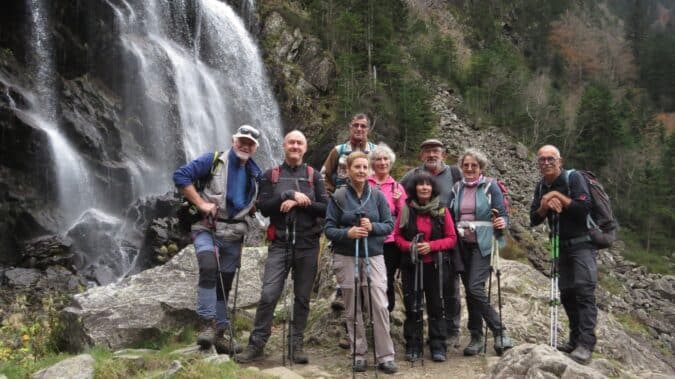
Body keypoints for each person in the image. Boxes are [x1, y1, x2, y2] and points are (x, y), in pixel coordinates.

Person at [234, 131, 328, 364]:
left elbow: (325, 209)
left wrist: (298, 202)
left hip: (308, 244)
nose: (295, 146)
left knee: (302, 298)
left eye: (299, 143)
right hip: (280, 243)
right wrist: (287, 194)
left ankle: (296, 345)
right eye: (291, 142)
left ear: (305, 148)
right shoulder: (270, 176)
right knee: (268, 295)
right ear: (284, 146)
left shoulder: (314, 176)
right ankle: (256, 345)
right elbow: (265, 208)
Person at [173, 125, 262, 353]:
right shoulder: (212, 160)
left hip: (234, 234)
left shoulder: (255, 174)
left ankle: (221, 333)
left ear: (255, 148)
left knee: (225, 283)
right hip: (207, 227)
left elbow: (260, 199)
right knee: (208, 266)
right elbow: (181, 175)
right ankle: (206, 326)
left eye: (250, 143)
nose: (245, 145)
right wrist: (201, 204)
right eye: (242, 140)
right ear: (234, 140)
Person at [324, 152, 398, 374]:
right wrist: (349, 232)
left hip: (373, 255)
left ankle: (385, 356)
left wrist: (372, 227)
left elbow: (389, 225)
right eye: (357, 166)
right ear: (348, 169)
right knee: (352, 306)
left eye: (365, 167)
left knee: (379, 303)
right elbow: (328, 229)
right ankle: (358, 354)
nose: (362, 171)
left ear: (369, 170)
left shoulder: (377, 196)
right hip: (346, 256)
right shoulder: (338, 196)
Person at [530, 144, 596, 365]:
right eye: (542, 159)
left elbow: (583, 209)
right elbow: (533, 219)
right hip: (560, 246)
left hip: (582, 244)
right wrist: (544, 205)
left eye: (550, 159)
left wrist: (558, 195)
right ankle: (575, 340)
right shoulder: (541, 186)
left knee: (584, 292)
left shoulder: (574, 178)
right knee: (567, 293)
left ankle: (586, 344)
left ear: (560, 160)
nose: (546, 163)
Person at [449, 148, 514, 356]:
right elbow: (451, 215)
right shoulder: (457, 188)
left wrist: (502, 222)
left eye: (473, 165)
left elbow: (502, 215)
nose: (469, 169)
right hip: (461, 245)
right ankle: (476, 337)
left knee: (475, 288)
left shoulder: (490, 186)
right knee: (469, 291)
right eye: (466, 165)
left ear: (481, 168)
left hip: (483, 243)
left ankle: (499, 330)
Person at [400, 139, 463, 348]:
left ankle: (451, 330)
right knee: (425, 295)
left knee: (450, 287)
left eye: (435, 151)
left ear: (443, 154)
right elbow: (399, 196)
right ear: (421, 155)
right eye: (427, 151)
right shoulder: (411, 176)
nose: (431, 155)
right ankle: (420, 338)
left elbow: (472, 187)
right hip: (420, 244)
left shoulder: (455, 174)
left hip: (451, 234)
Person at [321, 113, 377, 340]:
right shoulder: (337, 151)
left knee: (366, 272)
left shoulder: (375, 152)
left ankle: (364, 325)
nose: (359, 129)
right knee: (344, 263)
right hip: (342, 212)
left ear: (368, 129)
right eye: (356, 125)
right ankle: (346, 320)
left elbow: (383, 175)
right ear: (349, 126)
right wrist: (331, 203)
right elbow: (324, 178)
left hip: (368, 212)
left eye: (364, 126)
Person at [394, 172, 459, 362]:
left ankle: (438, 345)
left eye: (428, 185)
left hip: (435, 266)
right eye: (420, 185)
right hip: (411, 265)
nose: (424, 188)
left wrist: (431, 246)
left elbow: (452, 238)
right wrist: (411, 247)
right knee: (412, 306)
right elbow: (397, 236)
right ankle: (413, 344)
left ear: (433, 188)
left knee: (436, 306)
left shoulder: (441, 210)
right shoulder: (407, 209)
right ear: (414, 189)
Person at [367, 143, 406, 313]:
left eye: (385, 159)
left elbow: (405, 216)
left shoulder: (397, 187)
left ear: (390, 162)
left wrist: (398, 201)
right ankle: (369, 310)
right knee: (367, 277)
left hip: (389, 240)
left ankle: (386, 312)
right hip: (368, 237)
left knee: (387, 277)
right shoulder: (365, 182)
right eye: (378, 159)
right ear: (372, 163)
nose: (382, 162)